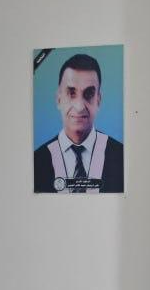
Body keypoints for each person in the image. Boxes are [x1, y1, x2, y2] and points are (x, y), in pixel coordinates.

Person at [33, 53, 125, 193]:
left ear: (98, 100)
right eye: (71, 93)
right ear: (58, 99)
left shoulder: (121, 157)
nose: (79, 106)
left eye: (89, 94)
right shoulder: (36, 161)